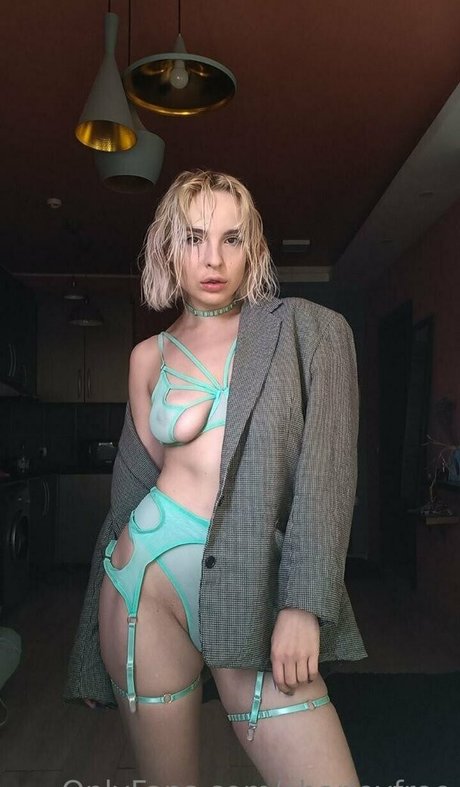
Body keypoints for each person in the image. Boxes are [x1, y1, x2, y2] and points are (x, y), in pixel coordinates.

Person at [65, 169, 367, 786]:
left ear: (252, 248)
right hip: (142, 587)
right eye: (194, 238)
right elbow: (129, 492)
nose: (213, 259)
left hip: (251, 588)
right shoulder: (146, 357)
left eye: (232, 239)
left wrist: (303, 605)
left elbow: (327, 478)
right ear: (167, 248)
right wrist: (87, 654)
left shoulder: (308, 330)